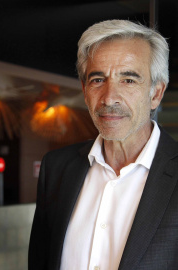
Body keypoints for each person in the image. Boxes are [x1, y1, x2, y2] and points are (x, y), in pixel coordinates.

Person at [28, 19, 178, 270]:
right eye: (98, 80)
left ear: (156, 94)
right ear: (85, 90)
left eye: (128, 80)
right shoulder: (56, 167)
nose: (109, 97)